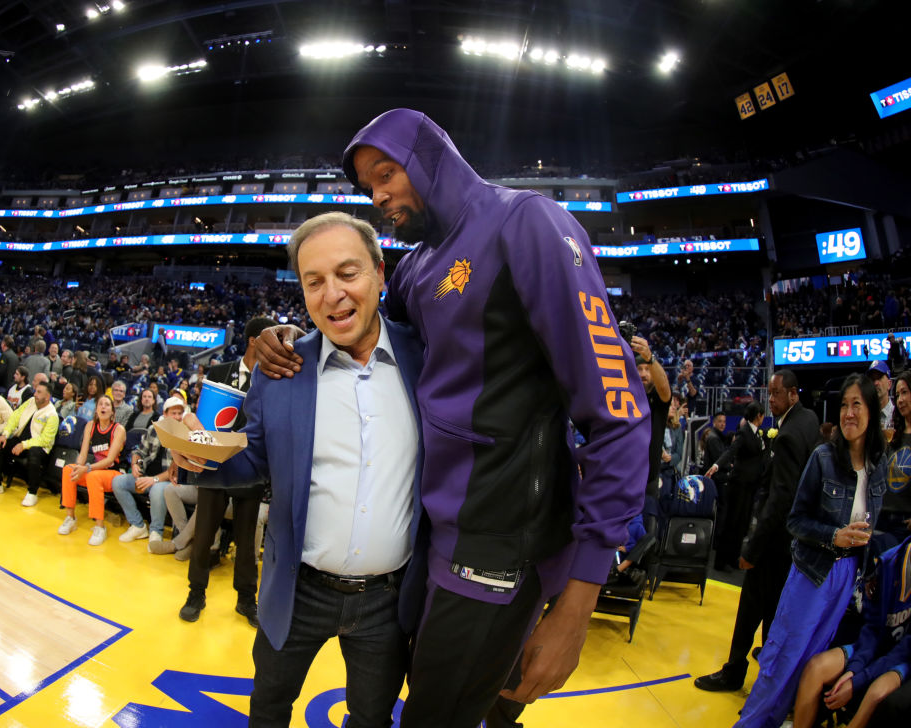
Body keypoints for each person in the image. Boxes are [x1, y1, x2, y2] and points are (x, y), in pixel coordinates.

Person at [256, 110, 650, 723]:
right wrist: (281, 337)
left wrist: (579, 602)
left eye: (387, 174)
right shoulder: (416, 267)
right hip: (437, 550)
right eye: (368, 187)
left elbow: (619, 411)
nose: (379, 195)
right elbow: (364, 331)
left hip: (501, 552)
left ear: (431, 156)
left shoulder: (527, 224)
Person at [174, 213, 425, 725]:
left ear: (380, 272)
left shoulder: (426, 357)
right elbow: (253, 461)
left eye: (347, 273)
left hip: (388, 600)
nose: (332, 294)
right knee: (268, 710)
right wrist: (198, 455)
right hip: (297, 588)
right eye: (314, 281)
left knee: (372, 719)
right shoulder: (283, 368)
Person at [735, 373, 886, 726]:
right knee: (782, 657)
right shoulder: (822, 457)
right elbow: (795, 521)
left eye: (857, 405)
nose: (848, 413)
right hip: (812, 571)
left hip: (848, 577)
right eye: (844, 405)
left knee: (810, 662)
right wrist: (834, 536)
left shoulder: (879, 465)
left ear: (872, 412)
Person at [694, 369, 820, 693]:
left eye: (776, 393)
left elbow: (780, 499)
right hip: (791, 541)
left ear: (792, 393)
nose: (771, 400)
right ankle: (765, 678)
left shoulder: (789, 434)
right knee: (772, 610)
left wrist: (752, 549)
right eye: (770, 393)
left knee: (754, 606)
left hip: (775, 541)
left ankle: (737, 671)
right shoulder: (809, 422)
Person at [169, 315, 277, 625]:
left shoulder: (274, 380)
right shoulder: (218, 372)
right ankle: (195, 593)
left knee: (247, 543)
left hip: (251, 472)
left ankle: (246, 599)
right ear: (255, 340)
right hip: (214, 469)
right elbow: (194, 415)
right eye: (270, 340)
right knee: (203, 536)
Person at [790, 535, 911, 728]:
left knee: (876, 693)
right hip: (878, 648)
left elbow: (904, 651)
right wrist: (854, 669)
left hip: (905, 660)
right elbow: (872, 627)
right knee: (816, 667)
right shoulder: (888, 560)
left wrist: (857, 681)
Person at [111, 396, 184, 546]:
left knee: (157, 490)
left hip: (166, 481)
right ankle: (137, 525)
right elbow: (139, 453)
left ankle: (156, 531)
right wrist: (136, 465)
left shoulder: (184, 435)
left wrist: (153, 479)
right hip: (145, 476)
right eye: (173, 413)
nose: (177, 417)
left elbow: (176, 469)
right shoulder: (154, 429)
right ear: (165, 413)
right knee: (118, 481)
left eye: (179, 413)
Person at [706, 401, 768, 571]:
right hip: (739, 485)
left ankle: (733, 557)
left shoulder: (757, 434)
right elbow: (730, 451)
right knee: (732, 523)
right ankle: (721, 561)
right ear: (759, 416)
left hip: (750, 486)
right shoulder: (744, 432)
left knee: (742, 524)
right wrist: (717, 465)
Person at [58, 395, 126, 545]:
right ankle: (70, 518)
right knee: (68, 470)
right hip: (94, 470)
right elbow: (83, 453)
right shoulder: (90, 425)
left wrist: (86, 468)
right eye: (100, 404)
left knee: (93, 477)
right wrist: (78, 468)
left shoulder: (118, 429)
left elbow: (109, 460)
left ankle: (100, 527)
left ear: (112, 411)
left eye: (107, 405)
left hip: (114, 473)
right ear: (96, 410)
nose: (103, 407)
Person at [0, 381, 58, 503]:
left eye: (39, 392)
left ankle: (32, 493)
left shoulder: (52, 414)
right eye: (36, 391)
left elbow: (45, 440)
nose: (35, 394)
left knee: (34, 454)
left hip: (40, 447)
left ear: (47, 397)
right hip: (21, 440)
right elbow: (15, 417)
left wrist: (24, 445)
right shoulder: (30, 402)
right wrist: (5, 434)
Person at [635, 334, 671, 501]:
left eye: (647, 369)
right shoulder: (624, 397)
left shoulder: (658, 400)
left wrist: (650, 359)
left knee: (648, 526)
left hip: (649, 480)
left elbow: (664, 387)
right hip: (623, 477)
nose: (643, 374)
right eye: (639, 369)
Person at [879, 370, 911, 550]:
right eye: (897, 394)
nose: (900, 400)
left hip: (904, 522)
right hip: (883, 517)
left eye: (905, 392)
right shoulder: (894, 435)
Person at [867, 361, 894, 433]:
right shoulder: (865, 416)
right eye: (872, 379)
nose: (875, 383)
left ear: (889, 384)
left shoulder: (898, 414)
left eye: (879, 378)